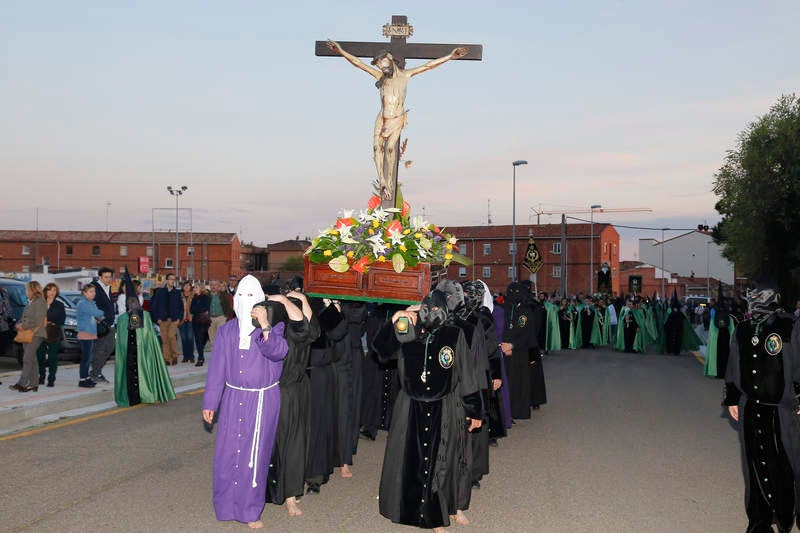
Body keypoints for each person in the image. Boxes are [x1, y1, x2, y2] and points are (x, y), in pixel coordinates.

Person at [372, 289, 482, 532]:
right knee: (409, 459)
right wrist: (394, 322)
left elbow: (467, 375)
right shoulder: (407, 330)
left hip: (444, 407)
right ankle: (408, 509)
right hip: (410, 408)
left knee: (440, 463)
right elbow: (381, 352)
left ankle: (435, 515)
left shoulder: (454, 335)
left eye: (436, 309)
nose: (430, 313)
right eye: (426, 308)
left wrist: (474, 411)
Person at [325, 39, 468, 202]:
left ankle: (390, 183)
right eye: (378, 64)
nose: (381, 66)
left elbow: (429, 65)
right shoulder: (380, 76)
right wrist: (340, 51)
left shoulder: (406, 76)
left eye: (383, 62)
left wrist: (450, 56)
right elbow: (358, 63)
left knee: (391, 149)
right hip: (382, 117)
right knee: (376, 148)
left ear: (390, 57)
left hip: (397, 118)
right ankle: (383, 182)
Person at [202, 275, 289, 530]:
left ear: (260, 300)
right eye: (241, 295)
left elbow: (278, 352)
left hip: (262, 399)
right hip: (233, 397)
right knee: (227, 453)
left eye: (251, 296)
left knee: (255, 454)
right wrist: (211, 402)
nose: (245, 301)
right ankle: (227, 505)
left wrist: (264, 325)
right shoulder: (227, 330)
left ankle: (251, 510)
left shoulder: (275, 327)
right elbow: (217, 368)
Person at [723, 282, 800, 532]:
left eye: (755, 296)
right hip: (751, 409)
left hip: (783, 410)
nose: (751, 300)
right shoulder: (743, 329)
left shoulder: (789, 325)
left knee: (789, 464)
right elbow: (734, 363)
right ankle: (759, 522)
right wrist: (733, 396)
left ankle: (789, 515)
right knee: (754, 468)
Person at [265, 286, 318, 517]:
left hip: (296, 388)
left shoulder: (293, 322)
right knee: (275, 444)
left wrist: (302, 300)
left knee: (295, 444)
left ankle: (290, 494)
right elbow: (302, 328)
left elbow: (312, 332)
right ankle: (278, 493)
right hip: (276, 389)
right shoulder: (274, 326)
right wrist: (285, 302)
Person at [114, 272, 176, 408]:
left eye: (133, 301)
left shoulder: (144, 316)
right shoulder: (123, 319)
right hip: (130, 352)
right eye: (129, 302)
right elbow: (122, 336)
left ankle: (145, 393)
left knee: (141, 370)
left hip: (141, 351)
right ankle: (133, 396)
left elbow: (147, 336)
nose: (131, 304)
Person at [9, 281, 47, 392]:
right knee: (32, 359)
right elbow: (25, 316)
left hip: (36, 333)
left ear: (32, 289)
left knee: (27, 359)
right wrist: (18, 324)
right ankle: (34, 384)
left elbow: (38, 320)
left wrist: (23, 326)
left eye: (26, 289)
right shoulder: (31, 301)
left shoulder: (40, 301)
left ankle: (22, 383)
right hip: (27, 333)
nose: (25, 291)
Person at [76, 284, 106, 388]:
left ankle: (87, 378)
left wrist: (99, 314)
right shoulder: (83, 304)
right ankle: (82, 380)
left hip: (91, 334)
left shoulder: (91, 303)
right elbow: (97, 313)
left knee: (89, 358)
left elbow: (98, 316)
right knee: (86, 358)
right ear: (84, 293)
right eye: (90, 292)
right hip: (85, 334)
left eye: (94, 291)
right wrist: (102, 311)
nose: (93, 294)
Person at [89, 267, 116, 383]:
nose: (108, 279)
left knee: (109, 347)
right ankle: (95, 373)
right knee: (101, 348)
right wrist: (100, 319)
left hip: (110, 324)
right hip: (101, 325)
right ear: (100, 277)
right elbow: (90, 303)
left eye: (110, 277)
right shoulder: (94, 287)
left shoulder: (107, 288)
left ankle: (96, 371)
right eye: (106, 277)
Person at [37, 283, 66, 387]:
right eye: (49, 290)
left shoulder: (59, 305)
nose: (52, 292)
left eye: (54, 290)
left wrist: (48, 321)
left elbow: (62, 319)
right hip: (40, 332)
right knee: (40, 356)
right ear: (45, 291)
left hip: (54, 332)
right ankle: (41, 375)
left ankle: (51, 379)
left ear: (56, 292)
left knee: (52, 357)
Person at [151, 273, 182, 365]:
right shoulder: (160, 292)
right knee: (164, 339)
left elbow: (181, 307)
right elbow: (154, 306)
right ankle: (167, 358)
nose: (172, 281)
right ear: (167, 280)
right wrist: (156, 318)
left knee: (171, 336)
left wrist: (179, 318)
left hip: (174, 319)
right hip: (163, 319)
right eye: (170, 279)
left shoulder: (177, 293)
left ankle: (175, 355)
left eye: (174, 279)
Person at [208, 279, 234, 349]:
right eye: (212, 285)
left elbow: (229, 307)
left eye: (215, 285)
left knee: (221, 337)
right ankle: (214, 356)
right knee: (212, 338)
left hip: (221, 318)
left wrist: (226, 317)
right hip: (210, 319)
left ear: (218, 286)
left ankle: (221, 355)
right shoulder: (207, 295)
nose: (213, 286)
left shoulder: (224, 295)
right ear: (210, 286)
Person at [190, 283, 211, 366]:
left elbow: (205, 308)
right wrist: (199, 309)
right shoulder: (194, 298)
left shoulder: (206, 297)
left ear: (201, 288)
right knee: (198, 340)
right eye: (194, 287)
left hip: (203, 321)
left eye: (196, 287)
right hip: (195, 321)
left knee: (201, 339)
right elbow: (191, 310)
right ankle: (201, 357)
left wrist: (198, 309)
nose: (194, 289)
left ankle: (201, 357)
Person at [179, 281, 195, 363]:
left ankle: (191, 356)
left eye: (188, 286)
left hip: (190, 319)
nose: (186, 287)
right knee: (183, 338)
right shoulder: (179, 295)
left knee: (190, 338)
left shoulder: (193, 295)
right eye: (184, 285)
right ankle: (185, 356)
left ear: (190, 287)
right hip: (181, 319)